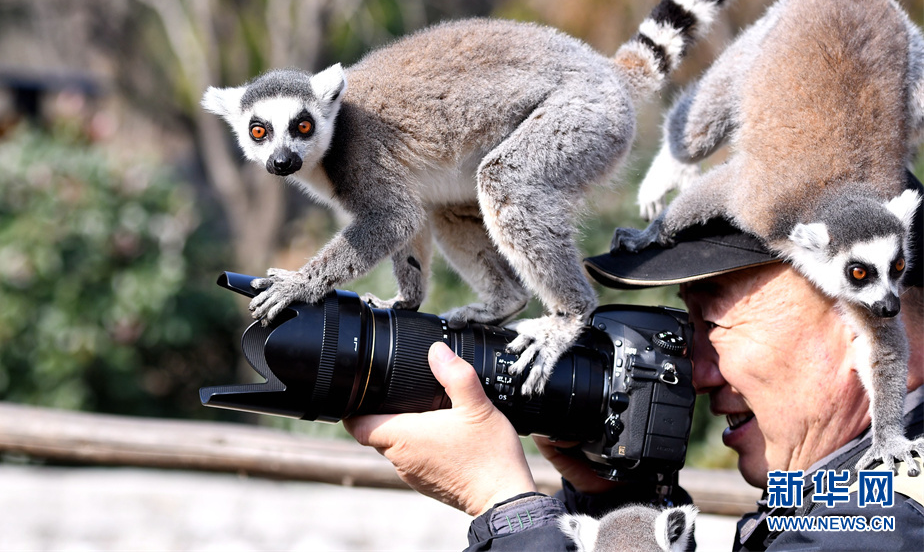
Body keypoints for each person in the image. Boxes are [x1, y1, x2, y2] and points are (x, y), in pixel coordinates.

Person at [344, 175, 924, 550]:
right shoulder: (853, 504)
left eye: (715, 325)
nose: (697, 373)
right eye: (688, 326)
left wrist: (507, 508)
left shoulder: (881, 525)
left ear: (864, 328)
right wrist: (621, 505)